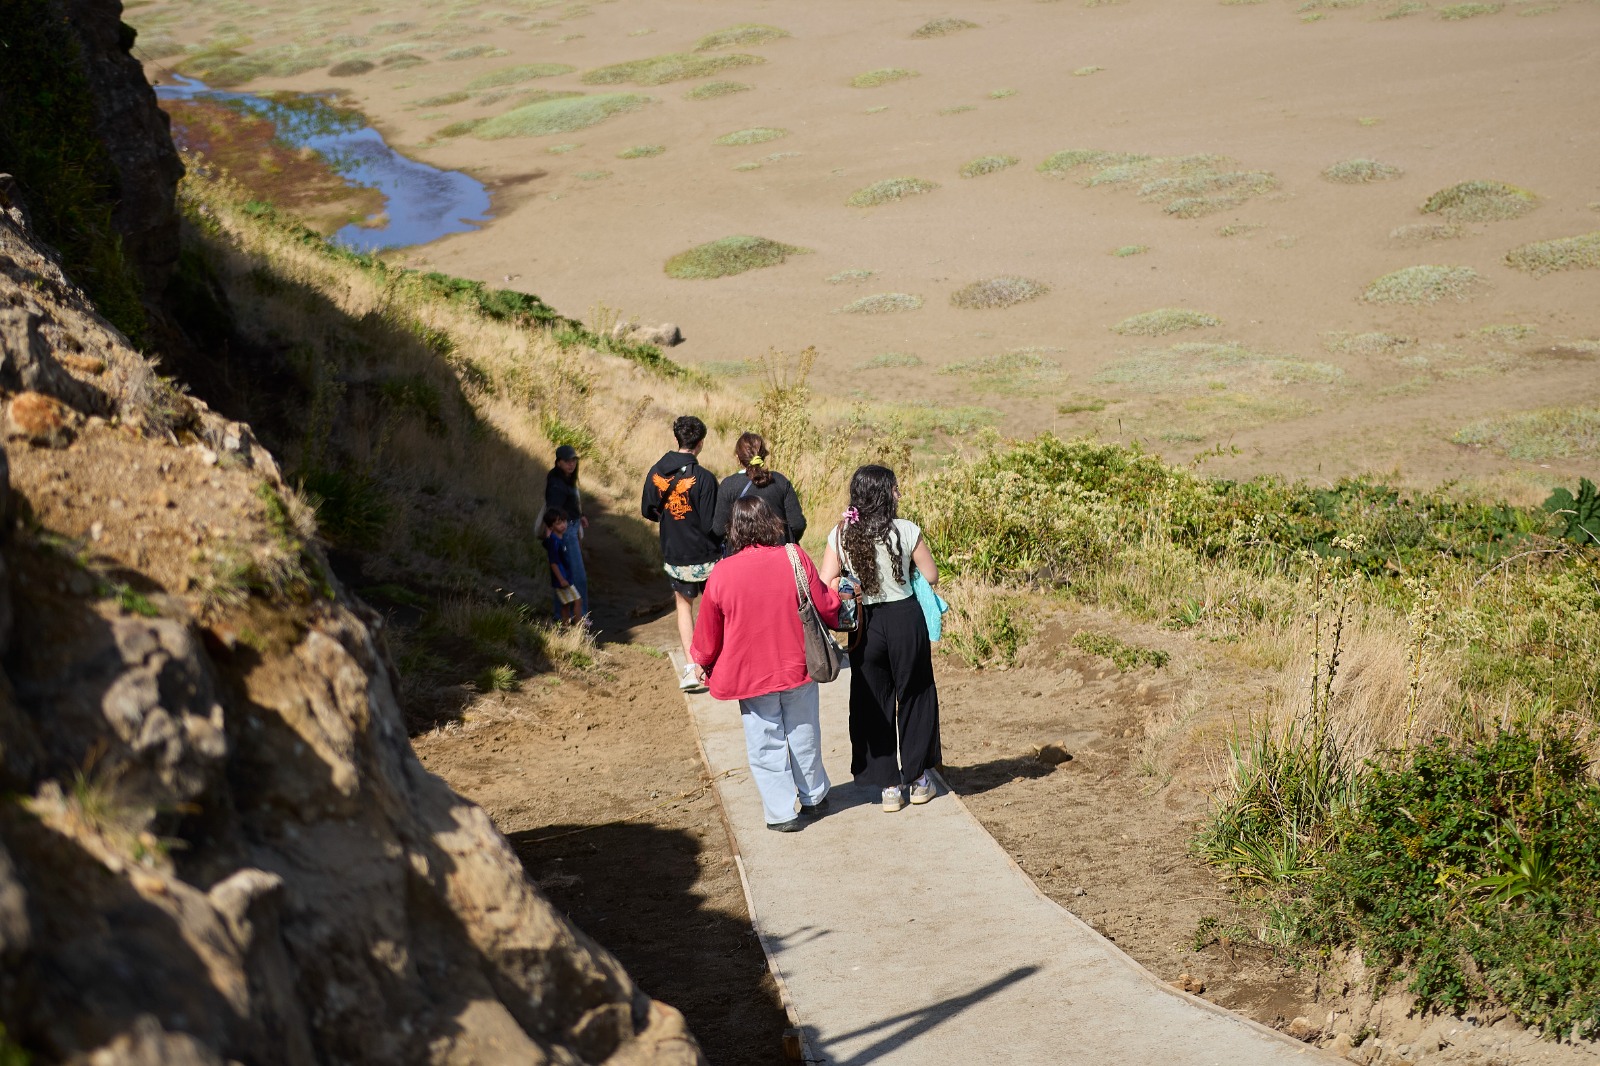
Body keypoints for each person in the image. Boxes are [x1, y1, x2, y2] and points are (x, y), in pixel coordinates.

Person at [691, 496, 850, 832]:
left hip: (749, 671)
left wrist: (703, 661)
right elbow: (823, 602)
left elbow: (708, 629)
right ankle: (814, 797)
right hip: (798, 662)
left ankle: (781, 812)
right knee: (804, 730)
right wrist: (841, 600)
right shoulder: (794, 556)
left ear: (734, 529)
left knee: (765, 740)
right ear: (770, 522)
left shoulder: (722, 572)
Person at [820, 465, 942, 813]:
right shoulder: (905, 530)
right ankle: (918, 781)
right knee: (916, 695)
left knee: (873, 700)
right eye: (895, 488)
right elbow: (931, 575)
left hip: (864, 623)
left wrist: (850, 583)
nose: (899, 493)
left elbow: (828, 580)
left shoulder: (842, 532)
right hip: (905, 619)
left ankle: (889, 787)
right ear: (884, 493)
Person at [641, 415, 720, 691]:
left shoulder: (656, 472)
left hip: (675, 552)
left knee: (684, 608)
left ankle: (691, 668)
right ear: (699, 443)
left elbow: (647, 510)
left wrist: (671, 520)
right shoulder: (706, 479)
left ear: (678, 439)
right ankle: (715, 664)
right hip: (707, 556)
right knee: (716, 610)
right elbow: (713, 524)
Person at [711, 432, 807, 547]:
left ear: (738, 457)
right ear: (763, 454)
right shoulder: (780, 481)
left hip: (741, 555)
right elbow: (797, 524)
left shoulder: (729, 485)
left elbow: (718, 529)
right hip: (778, 554)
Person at [543, 444, 588, 622]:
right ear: (558, 462)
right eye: (567, 461)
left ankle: (564, 617)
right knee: (577, 577)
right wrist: (552, 535)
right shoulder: (556, 483)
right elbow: (553, 510)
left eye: (574, 461)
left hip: (570, 528)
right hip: (565, 531)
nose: (571, 464)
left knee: (567, 576)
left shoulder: (566, 478)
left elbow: (570, 503)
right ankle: (580, 617)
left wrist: (581, 516)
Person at [540, 507, 582, 625]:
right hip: (562, 579)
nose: (563, 525)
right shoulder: (554, 542)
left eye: (564, 521)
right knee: (578, 601)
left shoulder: (558, 539)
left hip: (565, 577)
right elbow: (553, 562)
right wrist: (561, 579)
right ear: (551, 526)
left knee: (566, 604)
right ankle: (579, 628)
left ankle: (566, 626)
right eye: (558, 523)